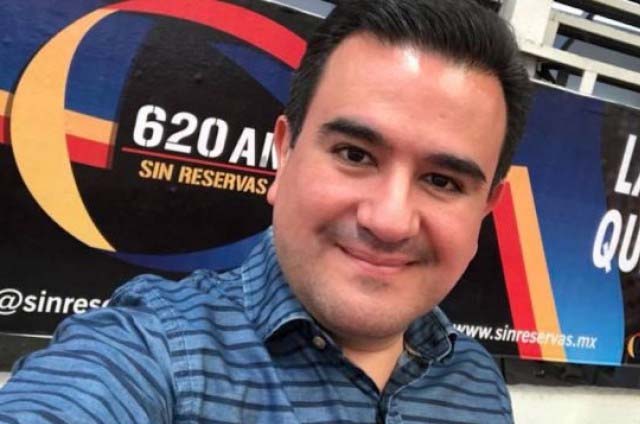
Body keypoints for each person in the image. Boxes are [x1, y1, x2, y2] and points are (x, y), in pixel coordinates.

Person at [0, 0, 531, 422]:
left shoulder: (478, 383)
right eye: (354, 155)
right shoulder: (151, 350)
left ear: (486, 208)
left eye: (441, 181)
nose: (389, 221)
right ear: (284, 152)